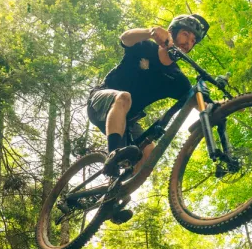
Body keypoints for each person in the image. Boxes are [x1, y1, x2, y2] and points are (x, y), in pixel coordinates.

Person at [87, 14, 209, 223]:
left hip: (128, 121)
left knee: (149, 152)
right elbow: (125, 38)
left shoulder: (177, 78)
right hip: (102, 101)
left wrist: (223, 108)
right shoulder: (145, 47)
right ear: (172, 31)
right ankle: (113, 154)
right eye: (185, 35)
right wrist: (151, 31)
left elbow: (198, 104)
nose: (188, 43)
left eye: (192, 41)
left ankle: (115, 198)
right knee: (124, 97)